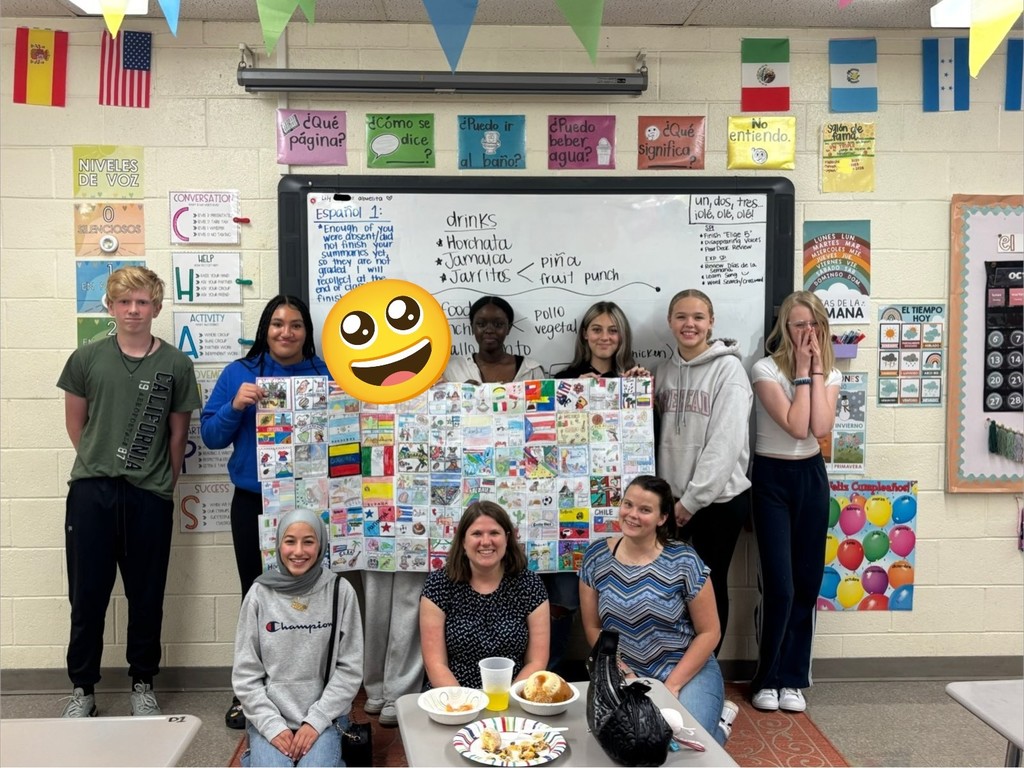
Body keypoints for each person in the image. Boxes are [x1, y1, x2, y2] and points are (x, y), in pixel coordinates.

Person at [57, 266, 201, 717]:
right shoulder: (86, 359)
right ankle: (83, 689)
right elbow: (76, 425)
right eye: (124, 302)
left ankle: (143, 682)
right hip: (92, 494)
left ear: (156, 307)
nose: (133, 310)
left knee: (147, 594)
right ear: (112, 307)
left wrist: (161, 481)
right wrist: (104, 465)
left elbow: (179, 436)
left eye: (142, 302)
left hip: (149, 497)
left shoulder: (176, 364)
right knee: (87, 595)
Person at [200, 294, 328, 730]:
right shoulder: (240, 372)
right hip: (253, 503)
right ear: (264, 329)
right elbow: (212, 438)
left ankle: (314, 692)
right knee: (256, 597)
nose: (286, 333)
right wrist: (236, 406)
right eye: (277, 324)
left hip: (312, 506)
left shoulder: (325, 373)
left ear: (307, 331)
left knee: (316, 598)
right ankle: (249, 693)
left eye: (295, 325)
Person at [579, 475, 728, 744]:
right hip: (625, 670)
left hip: (686, 669)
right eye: (628, 504)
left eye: (645, 510)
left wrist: (671, 686)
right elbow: (592, 628)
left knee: (684, 743)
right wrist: (625, 673)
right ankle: (717, 729)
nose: (632, 515)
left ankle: (716, 730)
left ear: (662, 518)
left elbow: (710, 632)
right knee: (634, 743)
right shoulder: (596, 557)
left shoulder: (684, 559)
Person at [546, 301, 650, 676]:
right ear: (584, 334)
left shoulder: (634, 379)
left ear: (622, 336)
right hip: (567, 508)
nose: (605, 337)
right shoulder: (562, 379)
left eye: (613, 330)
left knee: (616, 595)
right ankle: (548, 673)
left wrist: (636, 390)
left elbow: (645, 440)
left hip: (618, 508)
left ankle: (618, 675)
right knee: (561, 600)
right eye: (597, 329)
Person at [749, 291, 841, 714]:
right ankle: (766, 678)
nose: (807, 332)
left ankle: (793, 679)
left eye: (814, 324)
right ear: (785, 328)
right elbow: (795, 426)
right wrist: (802, 370)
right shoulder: (765, 369)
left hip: (810, 478)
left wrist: (817, 369)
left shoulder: (833, 374)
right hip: (771, 479)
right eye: (799, 324)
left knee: (806, 584)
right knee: (780, 587)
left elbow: (819, 428)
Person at [655, 289, 752, 654]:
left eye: (698, 317)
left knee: (707, 588)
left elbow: (724, 445)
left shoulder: (729, 371)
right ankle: (672, 663)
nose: (689, 324)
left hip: (718, 501)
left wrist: (693, 501)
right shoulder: (663, 372)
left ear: (711, 322)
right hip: (672, 500)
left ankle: (707, 670)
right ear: (670, 322)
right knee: (668, 586)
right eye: (681, 316)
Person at [233, 508, 363, 767]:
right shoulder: (259, 594)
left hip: (325, 718)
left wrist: (315, 721)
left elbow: (350, 670)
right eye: (290, 541)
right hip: (270, 717)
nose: (299, 552)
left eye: (309, 541)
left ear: (321, 545)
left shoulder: (340, 591)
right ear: (279, 544)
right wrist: (272, 725)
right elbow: (245, 674)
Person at [420, 501, 550, 689]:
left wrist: (509, 701)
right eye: (477, 534)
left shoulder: (529, 585)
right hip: (453, 696)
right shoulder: (438, 585)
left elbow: (536, 662)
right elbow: (435, 664)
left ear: (507, 538)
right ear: (463, 541)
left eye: (494, 533)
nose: (486, 541)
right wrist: (465, 703)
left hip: (515, 695)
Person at [443, 296, 545, 384]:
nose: (489, 330)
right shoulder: (454, 370)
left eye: (498, 324)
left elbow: (546, 405)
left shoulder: (531, 370)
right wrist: (461, 394)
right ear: (472, 328)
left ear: (508, 328)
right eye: (481, 324)